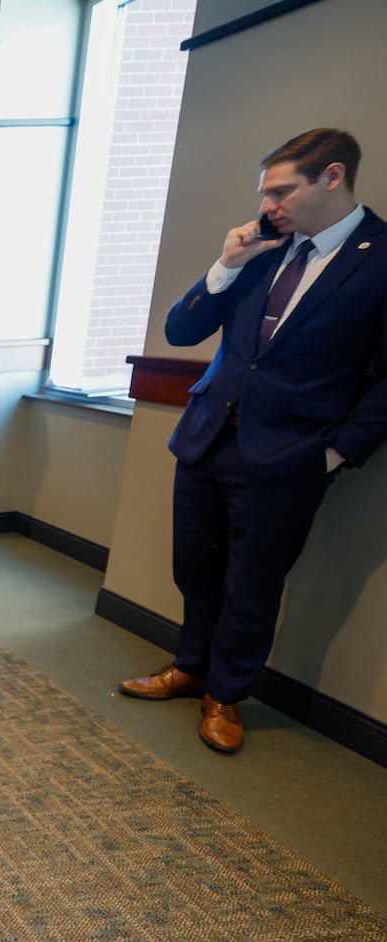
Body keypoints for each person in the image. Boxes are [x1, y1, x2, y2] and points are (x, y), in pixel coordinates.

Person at [119, 129, 387, 753]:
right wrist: (226, 263)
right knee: (195, 566)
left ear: (333, 177)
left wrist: (337, 451)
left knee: (254, 582)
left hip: (291, 454)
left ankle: (226, 694)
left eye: (281, 191)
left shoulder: (380, 258)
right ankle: (190, 668)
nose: (268, 206)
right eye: (265, 192)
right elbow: (183, 330)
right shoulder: (262, 250)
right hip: (209, 437)